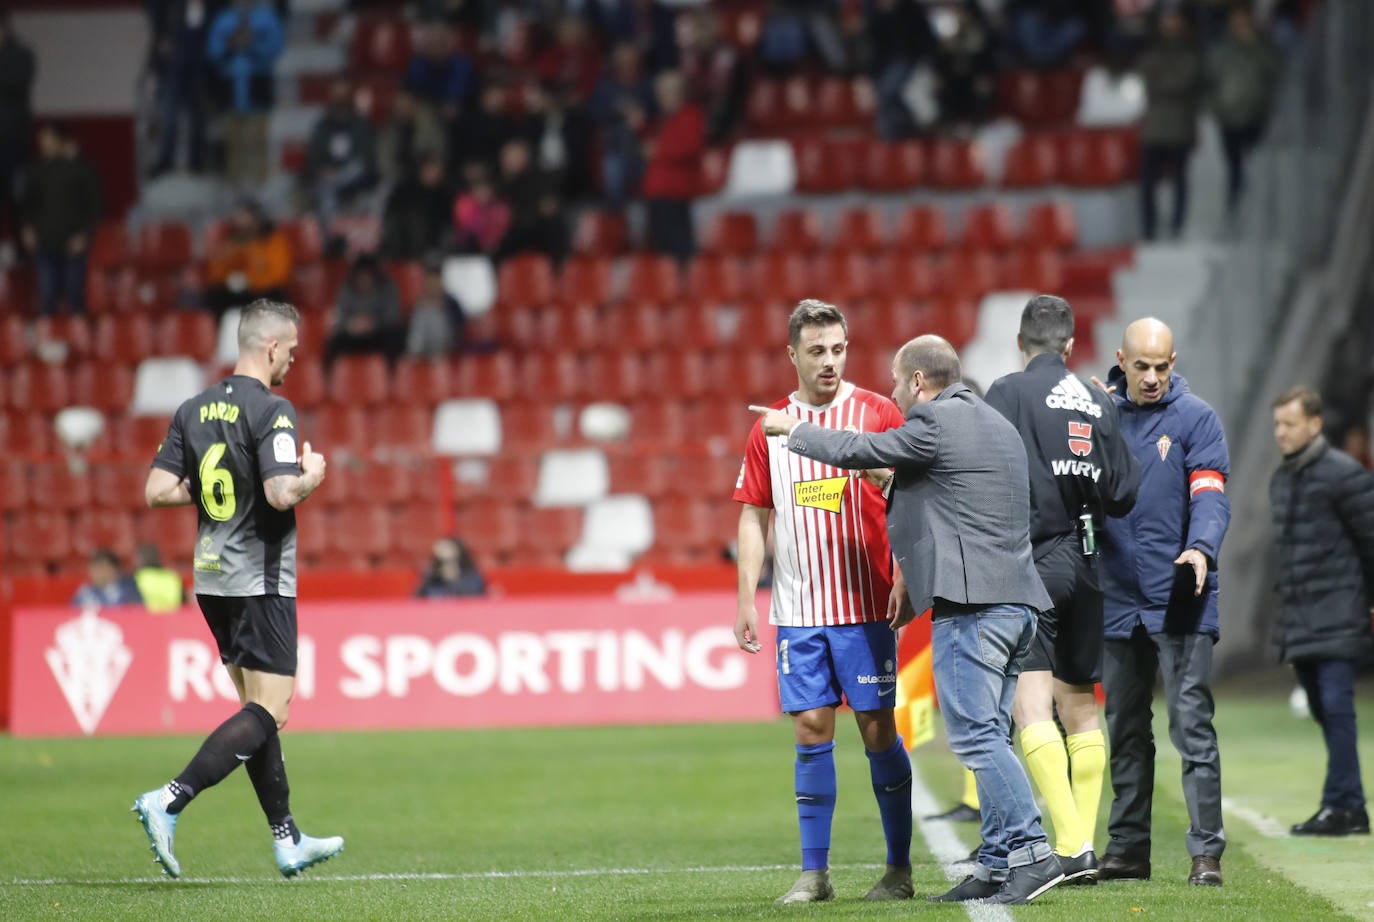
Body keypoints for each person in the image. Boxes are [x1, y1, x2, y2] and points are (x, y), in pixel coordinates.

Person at [751, 333, 1065, 906]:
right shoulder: (995, 423)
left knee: (974, 739)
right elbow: (957, 504)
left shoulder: (935, 423)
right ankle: (996, 862)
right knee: (992, 733)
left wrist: (790, 430)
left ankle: (1035, 852)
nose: (896, 392)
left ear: (919, 381)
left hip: (973, 611)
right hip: (1017, 604)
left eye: (899, 381)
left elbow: (861, 450)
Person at [133, 298, 343, 879]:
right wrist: (312, 478)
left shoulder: (193, 408)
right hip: (260, 578)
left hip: (211, 577)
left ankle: (287, 837)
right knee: (270, 710)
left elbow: (157, 490)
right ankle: (168, 799)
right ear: (271, 347)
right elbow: (280, 495)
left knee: (255, 709)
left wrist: (215, 492)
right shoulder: (274, 409)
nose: (294, 361)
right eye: (293, 350)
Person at [731, 299, 915, 904]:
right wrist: (746, 600)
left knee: (876, 729)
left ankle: (898, 868)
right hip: (799, 611)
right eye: (817, 350)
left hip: (866, 605)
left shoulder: (878, 413)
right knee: (811, 728)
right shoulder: (769, 426)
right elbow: (755, 515)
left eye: (838, 348)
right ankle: (815, 874)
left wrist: (906, 573)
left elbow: (912, 499)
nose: (830, 361)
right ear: (793, 354)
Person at [984, 295, 1141, 882]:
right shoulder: (1099, 401)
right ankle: (1082, 844)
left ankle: (1071, 845)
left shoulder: (1008, 391)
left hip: (1036, 559)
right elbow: (1125, 492)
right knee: (1079, 704)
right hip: (1089, 558)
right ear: (1072, 347)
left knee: (1029, 704)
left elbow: (990, 468)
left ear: (1022, 344)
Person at [1094, 317, 1229, 886]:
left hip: (1180, 595)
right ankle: (1128, 850)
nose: (1152, 378)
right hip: (1116, 598)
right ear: (1121, 360)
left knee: (1192, 727)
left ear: (1174, 363)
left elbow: (1211, 495)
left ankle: (1206, 854)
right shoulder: (1096, 417)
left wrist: (1200, 548)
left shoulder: (1197, 419)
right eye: (1142, 366)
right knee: (1124, 727)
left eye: (1162, 367)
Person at [1269, 386, 1374, 836]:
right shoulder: (1283, 478)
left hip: (1338, 608)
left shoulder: (1344, 475)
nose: (1280, 433)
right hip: (1302, 615)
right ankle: (1347, 804)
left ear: (1315, 425)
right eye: (1276, 424)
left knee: (1335, 707)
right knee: (1321, 707)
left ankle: (1345, 805)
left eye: (1289, 424)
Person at [22, 124, 102, 317]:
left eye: (48, 140)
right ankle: (47, 342)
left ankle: (79, 341)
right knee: (47, 300)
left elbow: (96, 208)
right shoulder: (37, 171)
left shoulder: (82, 170)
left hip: (74, 244)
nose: (44, 145)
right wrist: (27, 229)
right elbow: (26, 205)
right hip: (45, 244)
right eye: (42, 141)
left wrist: (85, 235)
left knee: (75, 298)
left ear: (61, 142)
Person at [1206, 5, 1279, 218]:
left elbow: (1275, 74)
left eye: (1245, 22)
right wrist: (1217, 108)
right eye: (1237, 23)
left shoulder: (1264, 48)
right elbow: (1211, 81)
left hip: (1256, 116)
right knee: (1234, 170)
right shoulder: (1221, 49)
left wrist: (1255, 46)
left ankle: (1263, 215)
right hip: (1228, 118)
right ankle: (1234, 213)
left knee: (1259, 169)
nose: (1241, 27)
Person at [1138, 9, 1203, 240]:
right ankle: (1149, 228)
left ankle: (1177, 227)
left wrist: (1164, 83)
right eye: (1167, 21)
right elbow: (1149, 76)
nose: (1170, 25)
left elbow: (1183, 80)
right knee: (1147, 184)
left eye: (1175, 20)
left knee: (1180, 182)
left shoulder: (1191, 53)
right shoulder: (1152, 51)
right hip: (1154, 128)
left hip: (1180, 127)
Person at [206, 0, 284, 186]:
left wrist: (252, 45)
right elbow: (213, 51)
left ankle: (260, 187)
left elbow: (275, 47)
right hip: (230, 89)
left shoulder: (266, 17)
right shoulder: (223, 19)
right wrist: (231, 45)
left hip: (258, 88)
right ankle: (235, 189)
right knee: (234, 146)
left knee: (258, 142)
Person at [303, 79, 379, 240]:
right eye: (337, 96)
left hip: (355, 176)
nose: (340, 100)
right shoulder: (322, 126)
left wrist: (339, 171)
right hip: (328, 178)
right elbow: (314, 156)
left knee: (356, 167)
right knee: (325, 189)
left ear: (350, 98)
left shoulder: (361, 124)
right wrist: (323, 169)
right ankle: (332, 238)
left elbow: (366, 157)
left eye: (343, 96)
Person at [641, 70, 703, 263]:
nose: (661, 97)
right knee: (662, 252)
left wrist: (658, 151)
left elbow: (690, 147)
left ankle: (683, 290)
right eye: (659, 93)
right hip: (657, 194)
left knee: (679, 251)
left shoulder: (691, 115)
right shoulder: (663, 119)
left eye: (665, 92)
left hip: (675, 193)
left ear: (678, 92)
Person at [204, 201, 293, 317]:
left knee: (274, 296)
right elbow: (215, 275)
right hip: (236, 293)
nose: (243, 227)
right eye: (239, 223)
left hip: (263, 292)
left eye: (247, 222)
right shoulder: (232, 243)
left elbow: (278, 277)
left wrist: (252, 281)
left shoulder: (273, 241)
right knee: (215, 296)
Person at [325, 253, 404, 366]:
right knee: (334, 342)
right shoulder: (346, 288)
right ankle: (331, 379)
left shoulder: (387, 287)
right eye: (361, 276)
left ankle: (392, 378)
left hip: (378, 335)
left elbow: (393, 316)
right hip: (352, 335)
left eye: (367, 276)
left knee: (395, 337)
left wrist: (374, 324)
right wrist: (350, 325)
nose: (364, 280)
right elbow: (339, 317)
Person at [0, 10, 36, 252]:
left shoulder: (22, 55)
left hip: (12, 138)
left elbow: (16, 83)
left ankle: (23, 251)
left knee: (18, 197)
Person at [405, 260, 465, 358]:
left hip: (448, 351)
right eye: (430, 280)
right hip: (423, 353)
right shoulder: (420, 305)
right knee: (423, 312)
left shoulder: (451, 303)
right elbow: (415, 334)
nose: (433, 284)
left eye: (435, 280)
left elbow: (459, 330)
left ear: (441, 281)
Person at [415, 537, 487, 598]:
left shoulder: (472, 574)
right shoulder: (432, 578)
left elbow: (475, 595)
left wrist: (453, 579)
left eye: (448, 548)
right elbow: (417, 598)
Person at [72, 548, 143, 608]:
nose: (98, 573)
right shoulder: (84, 593)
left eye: (102, 567)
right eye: (94, 568)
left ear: (115, 570)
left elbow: (136, 615)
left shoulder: (129, 590)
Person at [133, 543, 187, 614]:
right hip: (173, 618)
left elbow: (133, 604)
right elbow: (184, 602)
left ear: (141, 559)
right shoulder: (172, 575)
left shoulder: (139, 576)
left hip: (149, 619)